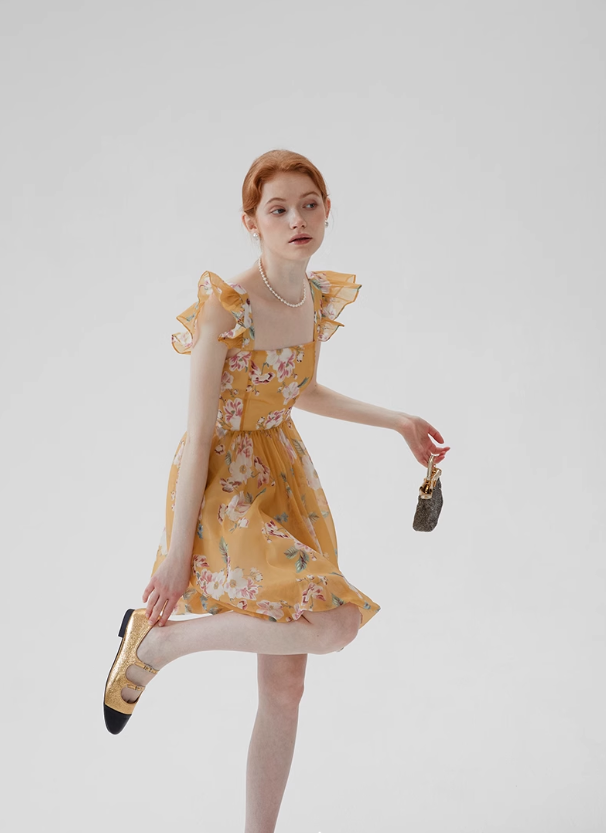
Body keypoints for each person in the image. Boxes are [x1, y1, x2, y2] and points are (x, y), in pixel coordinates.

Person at [103, 148, 450, 831]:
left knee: (286, 685)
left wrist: (398, 421)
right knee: (336, 623)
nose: (297, 220)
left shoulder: (311, 296)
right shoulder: (226, 308)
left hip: (282, 471)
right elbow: (198, 434)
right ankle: (157, 645)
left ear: (327, 211)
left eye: (309, 205)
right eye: (279, 209)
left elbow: (301, 389)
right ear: (251, 222)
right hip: (222, 483)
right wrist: (176, 554)